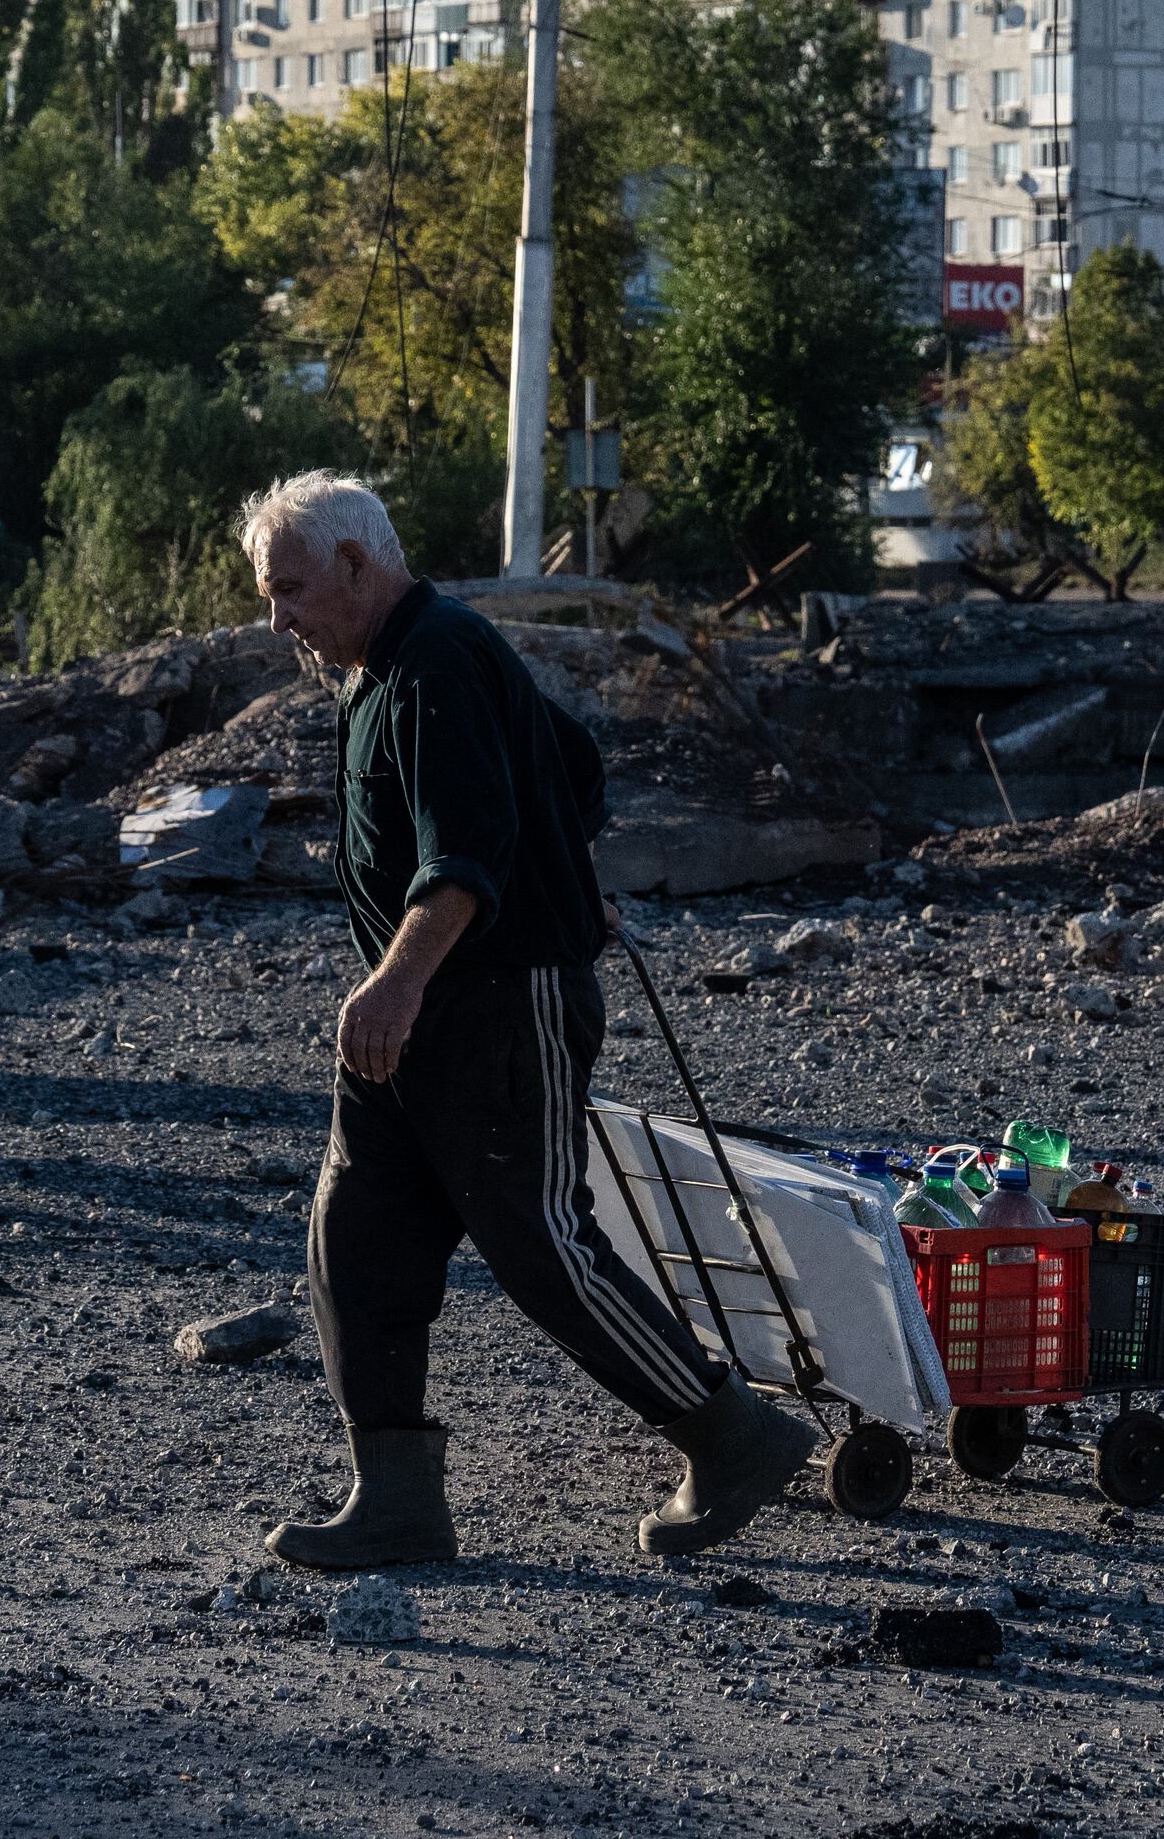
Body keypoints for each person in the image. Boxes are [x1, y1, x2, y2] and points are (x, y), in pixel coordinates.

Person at [235, 470, 819, 1569]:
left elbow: (463, 856)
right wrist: (559, 857)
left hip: (496, 1001)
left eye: (291, 590)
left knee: (540, 1242)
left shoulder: (440, 658)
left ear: (357, 566)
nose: (280, 619)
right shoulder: (383, 666)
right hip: (409, 1014)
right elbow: (570, 768)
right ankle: (398, 1497)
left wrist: (402, 979)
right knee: (353, 1236)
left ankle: (730, 1434)